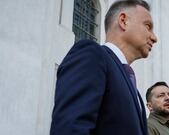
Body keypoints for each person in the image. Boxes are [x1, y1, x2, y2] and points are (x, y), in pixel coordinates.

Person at [50, 0, 157, 135]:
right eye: (148, 26)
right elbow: (70, 129)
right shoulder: (91, 55)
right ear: (123, 21)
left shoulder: (135, 92)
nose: (154, 37)